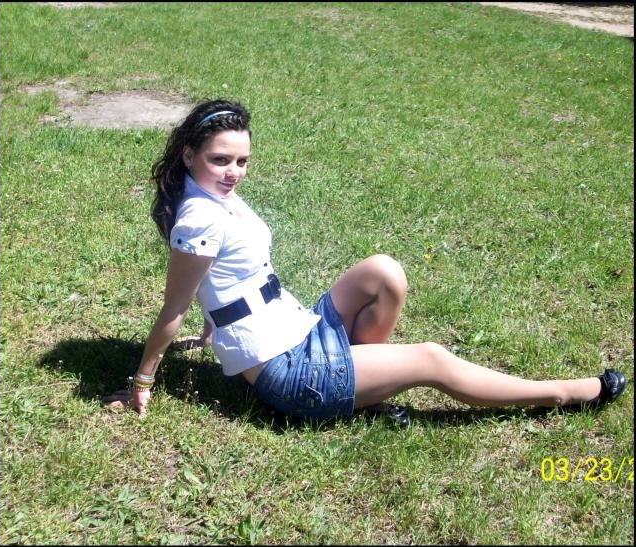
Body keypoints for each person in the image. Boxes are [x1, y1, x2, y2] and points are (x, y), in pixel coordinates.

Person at [104, 99, 627, 422]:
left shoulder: (214, 195)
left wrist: (213, 332)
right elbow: (174, 307)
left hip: (298, 330)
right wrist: (142, 383)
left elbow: (219, 279)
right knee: (431, 359)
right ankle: (563, 394)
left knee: (383, 272)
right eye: (220, 159)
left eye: (242, 160)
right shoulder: (199, 218)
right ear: (189, 155)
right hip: (289, 372)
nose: (234, 171)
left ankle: (362, 393)